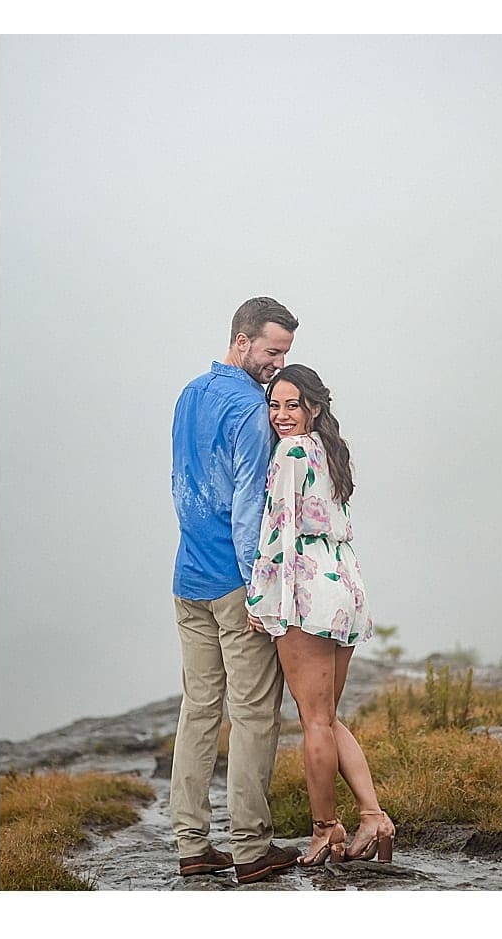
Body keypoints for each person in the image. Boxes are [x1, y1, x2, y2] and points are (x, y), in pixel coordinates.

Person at [167, 296, 303, 884]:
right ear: (242, 339)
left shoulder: (190, 394)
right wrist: (257, 590)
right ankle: (251, 848)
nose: (277, 364)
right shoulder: (251, 409)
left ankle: (191, 843)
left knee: (198, 709)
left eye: (285, 355)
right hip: (233, 582)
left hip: (187, 577)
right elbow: (251, 503)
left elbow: (180, 483)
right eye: (272, 351)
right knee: (253, 714)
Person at [247, 365, 396, 865]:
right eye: (275, 405)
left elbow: (279, 532)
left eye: (292, 405)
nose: (282, 416)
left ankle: (325, 829)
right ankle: (373, 815)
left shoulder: (290, 452)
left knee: (312, 721)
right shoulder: (330, 449)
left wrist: (259, 599)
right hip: (343, 586)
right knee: (327, 717)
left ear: (313, 406)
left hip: (307, 590)